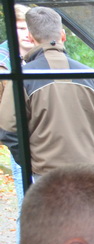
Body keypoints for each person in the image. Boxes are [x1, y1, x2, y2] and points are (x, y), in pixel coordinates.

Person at [0, 6, 94, 178]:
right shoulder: (91, 74)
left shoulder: (22, 78)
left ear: (30, 37)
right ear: (63, 36)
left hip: (47, 176)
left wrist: (31, 163)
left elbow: (8, 130)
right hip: (91, 172)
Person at [0, 4, 32, 206]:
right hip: (19, 139)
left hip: (46, 137)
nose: (26, 33)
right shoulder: (3, 63)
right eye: (21, 28)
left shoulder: (43, 56)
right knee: (27, 204)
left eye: (29, 27)